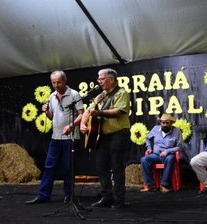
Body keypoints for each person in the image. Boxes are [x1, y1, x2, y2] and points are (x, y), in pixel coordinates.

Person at [26, 70, 84, 204]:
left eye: (58, 82)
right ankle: (43, 196)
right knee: (48, 166)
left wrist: (71, 125)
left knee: (68, 168)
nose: (56, 85)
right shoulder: (52, 96)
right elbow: (52, 117)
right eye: (53, 83)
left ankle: (69, 196)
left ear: (65, 81)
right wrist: (46, 112)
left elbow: (82, 114)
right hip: (55, 137)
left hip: (70, 138)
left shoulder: (74, 94)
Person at [80, 68, 130, 209]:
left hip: (119, 134)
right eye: (99, 79)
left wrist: (100, 112)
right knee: (101, 167)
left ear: (111, 79)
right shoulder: (101, 95)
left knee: (117, 167)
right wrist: (83, 124)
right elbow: (88, 111)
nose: (99, 81)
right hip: (103, 136)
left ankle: (119, 201)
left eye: (101, 79)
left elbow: (118, 112)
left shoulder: (122, 93)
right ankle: (106, 197)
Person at [140, 113, 182, 193]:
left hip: (167, 155)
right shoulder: (156, 129)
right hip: (155, 155)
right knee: (144, 160)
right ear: (160, 123)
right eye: (163, 123)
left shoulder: (176, 131)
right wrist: (149, 148)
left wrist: (167, 151)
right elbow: (147, 138)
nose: (165, 125)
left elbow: (179, 146)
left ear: (171, 123)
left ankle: (164, 185)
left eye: (167, 123)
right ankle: (150, 185)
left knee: (170, 158)